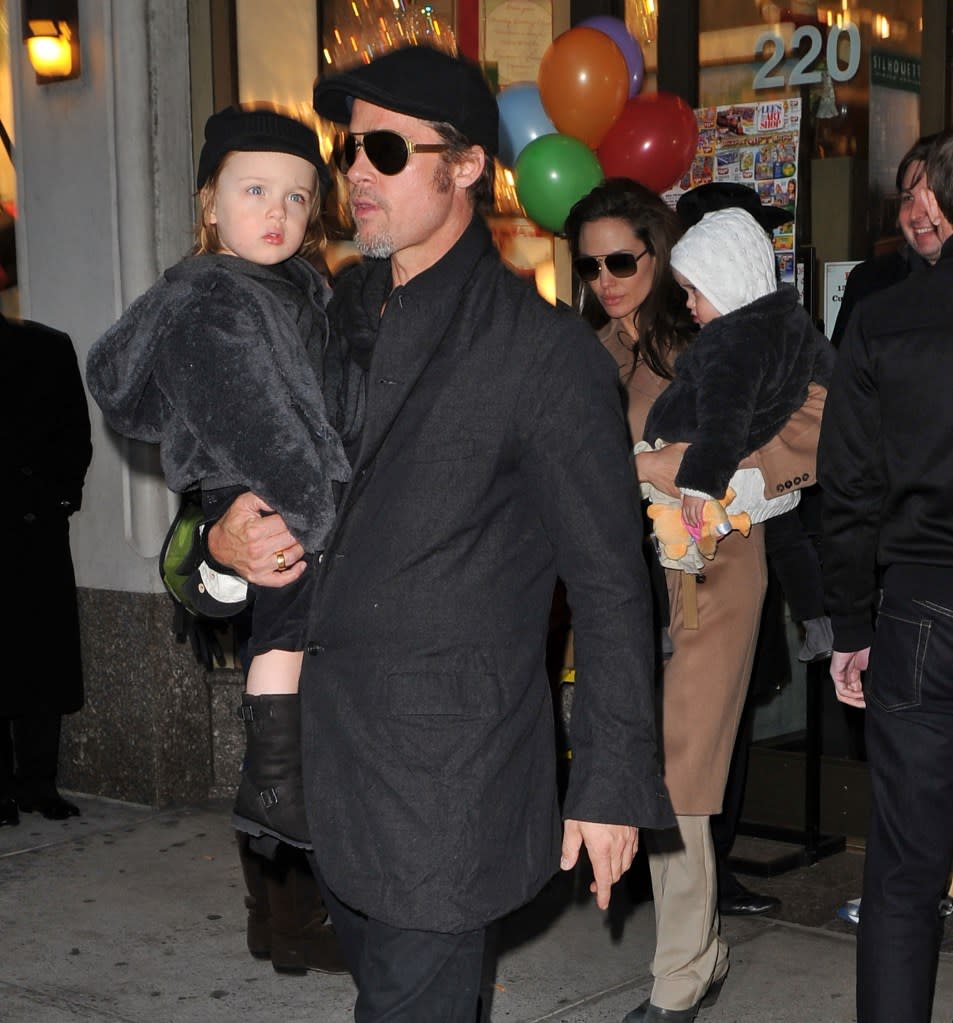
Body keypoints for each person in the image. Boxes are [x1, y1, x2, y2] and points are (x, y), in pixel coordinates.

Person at [205, 44, 674, 1021]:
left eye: (386, 149)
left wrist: (609, 779)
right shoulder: (318, 317)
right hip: (318, 765)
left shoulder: (541, 356)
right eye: (348, 151)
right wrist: (216, 546)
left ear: (465, 165)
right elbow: (226, 488)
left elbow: (609, 583)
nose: (356, 174)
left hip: (446, 789)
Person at [564, 179, 830, 1023]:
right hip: (615, 580)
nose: (605, 278)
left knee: (682, 769)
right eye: (589, 265)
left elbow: (815, 423)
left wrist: (682, 469)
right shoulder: (580, 351)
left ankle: (679, 975)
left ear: (659, 251)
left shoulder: (723, 330)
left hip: (709, 569)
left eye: (621, 260)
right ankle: (698, 947)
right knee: (629, 755)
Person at [86, 104, 351, 851]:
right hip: (264, 493)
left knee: (294, 628)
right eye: (255, 190)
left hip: (297, 492)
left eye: (297, 196)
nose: (279, 211)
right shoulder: (212, 300)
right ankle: (270, 781)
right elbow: (258, 424)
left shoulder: (299, 290)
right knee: (286, 622)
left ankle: (279, 795)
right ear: (210, 201)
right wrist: (319, 516)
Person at [818, 129, 953, 1023]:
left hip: (918, 610)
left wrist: (850, 626)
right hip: (916, 602)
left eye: (932, 190)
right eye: (909, 192)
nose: (916, 210)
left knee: (903, 869)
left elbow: (850, 490)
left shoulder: (882, 318)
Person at [1, 313, 92, 824]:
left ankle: (38, 783)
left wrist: (57, 501)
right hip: (31, 519)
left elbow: (74, 435)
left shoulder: (46, 346)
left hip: (35, 528)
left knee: (42, 656)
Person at [829, 133, 941, 348]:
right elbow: (840, 375)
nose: (916, 214)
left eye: (931, 197)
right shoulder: (869, 284)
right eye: (908, 198)